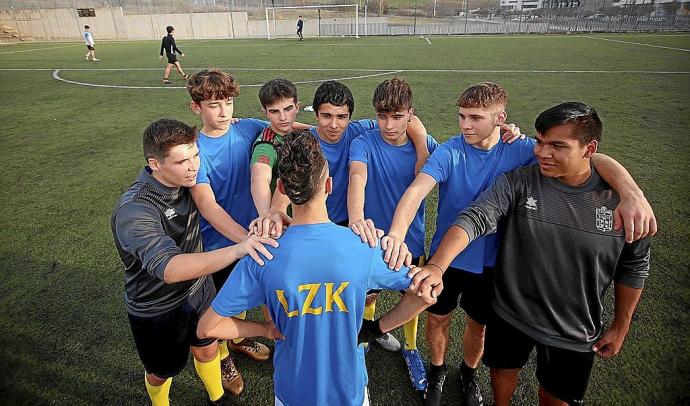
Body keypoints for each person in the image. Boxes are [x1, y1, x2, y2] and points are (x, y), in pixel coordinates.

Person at [386, 82, 656, 406]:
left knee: (479, 325)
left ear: (500, 119)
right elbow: (418, 191)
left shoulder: (524, 150)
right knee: (437, 318)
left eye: (475, 117)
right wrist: (398, 235)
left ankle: (469, 373)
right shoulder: (451, 151)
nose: (465, 125)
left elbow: (587, 159)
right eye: (462, 116)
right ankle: (438, 370)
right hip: (450, 258)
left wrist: (630, 191)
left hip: (495, 263)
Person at [197, 130, 437, 405]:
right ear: (329, 186)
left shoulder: (261, 256)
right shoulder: (365, 247)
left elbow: (207, 328)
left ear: (283, 190)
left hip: (291, 394)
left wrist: (263, 330)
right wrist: (376, 328)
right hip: (350, 394)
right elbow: (426, 292)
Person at [111, 118, 277, 406]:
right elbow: (170, 269)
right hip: (157, 306)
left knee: (207, 347)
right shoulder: (135, 210)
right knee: (162, 371)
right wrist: (240, 249)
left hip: (199, 290)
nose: (193, 166)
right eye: (182, 161)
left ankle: (217, 398)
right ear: (155, 164)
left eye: (195, 155)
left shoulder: (186, 181)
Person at [347, 77, 439, 393]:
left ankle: (411, 349)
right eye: (382, 116)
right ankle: (369, 337)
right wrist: (357, 219)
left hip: (410, 241)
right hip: (371, 241)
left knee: (414, 295)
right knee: (368, 295)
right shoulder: (364, 143)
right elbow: (357, 178)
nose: (388, 124)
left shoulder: (428, 147)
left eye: (397, 116)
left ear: (410, 114)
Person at [187, 69, 274, 396]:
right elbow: (208, 206)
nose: (224, 111)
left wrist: (335, 129)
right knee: (220, 305)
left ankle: (237, 339)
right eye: (213, 105)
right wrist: (246, 241)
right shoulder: (194, 150)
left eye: (228, 102)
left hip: (252, 239)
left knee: (245, 297)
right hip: (220, 246)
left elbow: (284, 127)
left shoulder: (249, 128)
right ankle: (223, 355)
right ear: (196, 108)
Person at [250, 78, 302, 217]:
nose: (283, 117)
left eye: (288, 109)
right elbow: (259, 177)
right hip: (286, 224)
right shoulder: (266, 145)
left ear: (297, 107)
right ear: (265, 112)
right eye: (274, 111)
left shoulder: (298, 133)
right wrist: (267, 217)